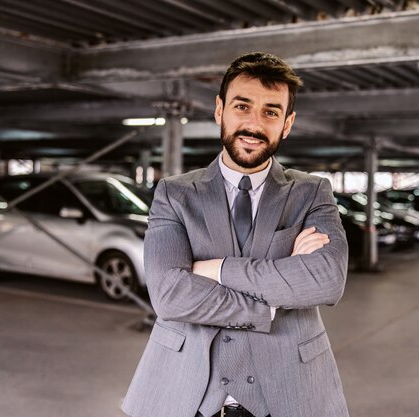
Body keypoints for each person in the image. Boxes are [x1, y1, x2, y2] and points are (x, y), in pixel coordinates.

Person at [122, 52, 349, 417]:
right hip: (185, 392)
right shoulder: (174, 193)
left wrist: (216, 270)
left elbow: (326, 280)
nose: (254, 124)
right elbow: (169, 295)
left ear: (287, 123)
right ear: (219, 110)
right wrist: (273, 298)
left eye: (271, 112)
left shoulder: (311, 192)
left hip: (289, 391)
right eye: (242, 106)